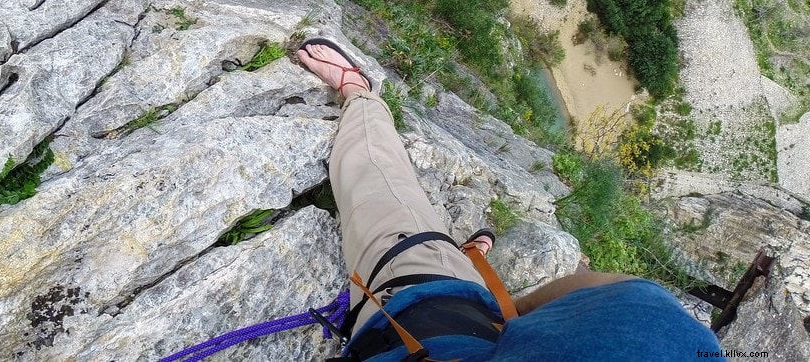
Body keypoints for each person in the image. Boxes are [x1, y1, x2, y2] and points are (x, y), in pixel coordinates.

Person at [297, 38, 724, 361]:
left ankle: (359, 94)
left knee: (378, 178)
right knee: (460, 276)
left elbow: (623, 292)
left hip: (426, 319)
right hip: (437, 329)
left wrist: (509, 312)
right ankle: (467, 262)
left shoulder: (676, 346)